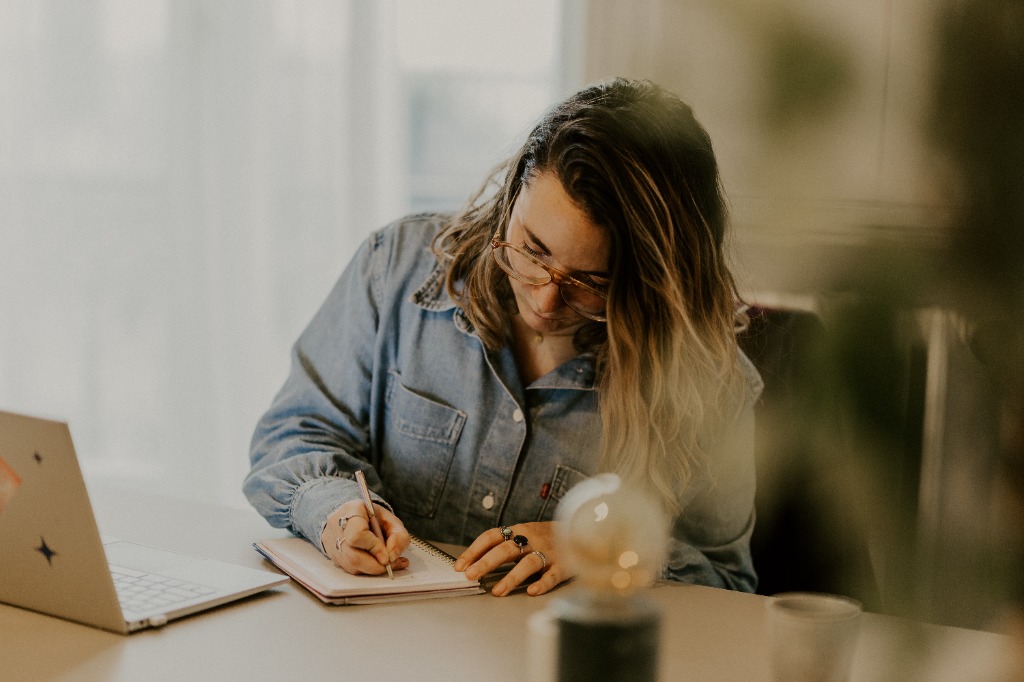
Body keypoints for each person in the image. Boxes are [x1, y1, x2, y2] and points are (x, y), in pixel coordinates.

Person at [243, 77, 763, 597]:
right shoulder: (395, 269)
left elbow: (725, 581)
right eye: (532, 250)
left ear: (653, 281)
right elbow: (297, 432)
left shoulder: (706, 384)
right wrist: (336, 511)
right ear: (512, 197)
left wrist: (600, 546)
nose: (543, 302)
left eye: (592, 285)